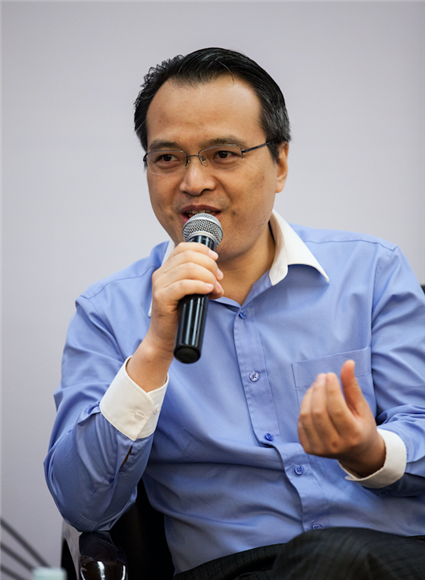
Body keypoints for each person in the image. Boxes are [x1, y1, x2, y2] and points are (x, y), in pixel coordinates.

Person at [45, 48, 425, 579]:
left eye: (222, 153)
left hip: (390, 559)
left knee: (330, 559)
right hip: (231, 570)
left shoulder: (372, 272)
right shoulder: (108, 313)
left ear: (280, 163)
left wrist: (370, 451)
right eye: (167, 158)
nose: (193, 181)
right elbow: (83, 507)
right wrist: (154, 351)